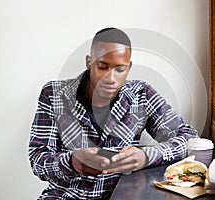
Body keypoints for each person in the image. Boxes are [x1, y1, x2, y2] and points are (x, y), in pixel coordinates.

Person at [29, 27, 198, 199]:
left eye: (120, 69)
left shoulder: (142, 95)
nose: (110, 78)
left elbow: (189, 138)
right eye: (102, 67)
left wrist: (146, 156)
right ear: (89, 62)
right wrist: (72, 162)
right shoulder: (54, 94)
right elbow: (38, 159)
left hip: (122, 194)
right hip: (65, 195)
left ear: (129, 67)